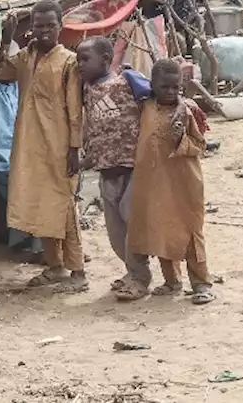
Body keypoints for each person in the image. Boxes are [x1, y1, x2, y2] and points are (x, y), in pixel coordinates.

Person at [0, 0, 86, 293]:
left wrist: (74, 149)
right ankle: (55, 267)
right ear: (31, 28)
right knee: (40, 205)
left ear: (60, 27)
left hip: (58, 145)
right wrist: (5, 40)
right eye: (38, 26)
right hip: (29, 146)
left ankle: (78, 271)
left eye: (50, 26)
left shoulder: (68, 61)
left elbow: (75, 109)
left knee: (63, 205)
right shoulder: (25, 57)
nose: (44, 31)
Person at [128, 59, 214, 305]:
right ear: (152, 85)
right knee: (161, 229)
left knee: (190, 232)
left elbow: (200, 145)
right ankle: (171, 281)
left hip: (184, 182)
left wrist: (180, 139)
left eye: (175, 88)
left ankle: (201, 283)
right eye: (164, 87)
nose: (169, 92)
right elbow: (130, 76)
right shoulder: (145, 107)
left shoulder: (187, 111)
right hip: (153, 182)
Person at [75, 37, 149, 300]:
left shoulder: (126, 82)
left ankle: (141, 278)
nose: (80, 65)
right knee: (116, 233)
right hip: (105, 170)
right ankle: (132, 271)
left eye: (86, 60)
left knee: (134, 228)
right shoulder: (85, 89)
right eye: (78, 60)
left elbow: (156, 100)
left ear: (106, 59)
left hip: (131, 167)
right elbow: (92, 128)